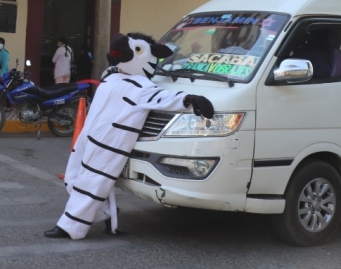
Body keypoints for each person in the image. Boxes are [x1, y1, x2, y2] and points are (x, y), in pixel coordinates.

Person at [44, 32, 214, 240]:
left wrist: (189, 99)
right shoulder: (113, 77)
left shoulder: (143, 87)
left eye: (139, 50)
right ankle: (106, 212)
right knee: (73, 177)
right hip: (89, 137)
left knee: (92, 182)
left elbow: (164, 98)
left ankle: (70, 226)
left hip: (109, 143)